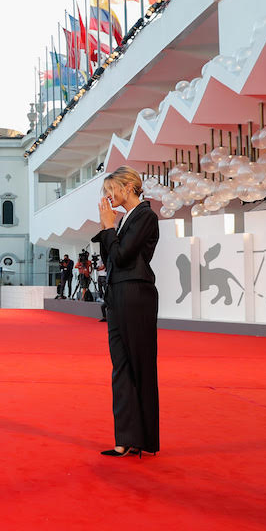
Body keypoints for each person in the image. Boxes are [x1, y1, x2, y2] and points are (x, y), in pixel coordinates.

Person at [94, 166, 160, 458]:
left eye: (112, 190)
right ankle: (125, 439)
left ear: (129, 186)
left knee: (140, 367)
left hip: (136, 294)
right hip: (117, 295)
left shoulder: (146, 216)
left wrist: (108, 227)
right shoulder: (122, 221)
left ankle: (144, 439)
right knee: (120, 368)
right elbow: (109, 262)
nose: (109, 196)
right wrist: (109, 227)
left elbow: (122, 257)